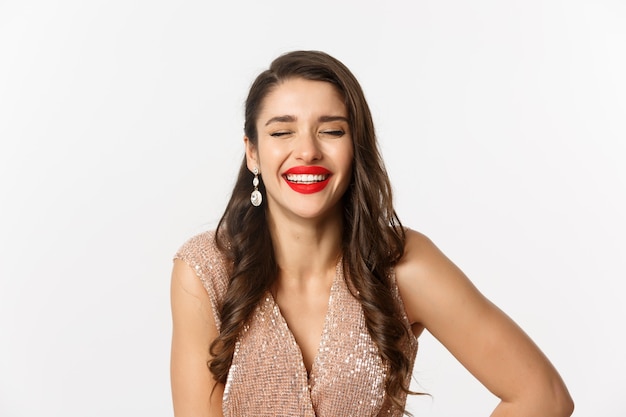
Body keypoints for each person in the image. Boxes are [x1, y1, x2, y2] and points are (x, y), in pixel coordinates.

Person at [169, 50, 574, 417]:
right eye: (281, 132)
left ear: (355, 147)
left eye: (331, 131)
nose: (307, 150)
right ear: (253, 152)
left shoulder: (404, 264)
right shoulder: (206, 271)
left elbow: (543, 396)